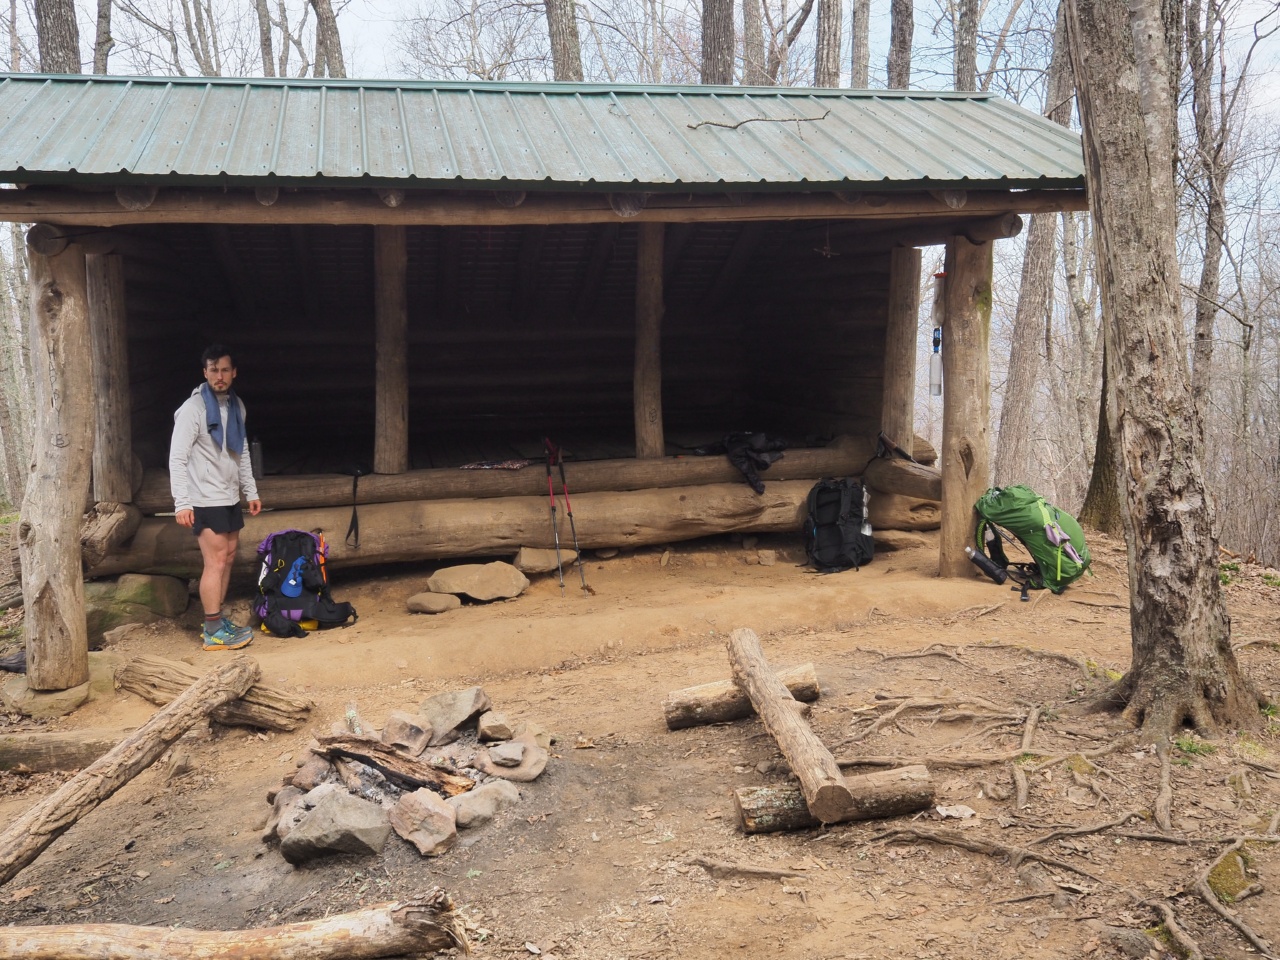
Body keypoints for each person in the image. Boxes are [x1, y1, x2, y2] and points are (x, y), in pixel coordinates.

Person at [169, 345, 263, 650]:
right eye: (213, 370)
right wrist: (182, 502)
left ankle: (217, 619)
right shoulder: (193, 409)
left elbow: (242, 451)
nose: (219, 376)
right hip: (204, 497)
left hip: (228, 495)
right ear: (205, 373)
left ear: (233, 372)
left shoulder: (236, 407)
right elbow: (177, 458)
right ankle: (212, 630)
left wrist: (250, 491)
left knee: (228, 558)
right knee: (216, 560)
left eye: (224, 370)